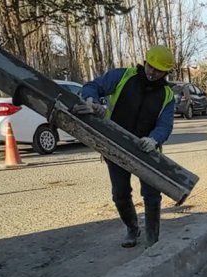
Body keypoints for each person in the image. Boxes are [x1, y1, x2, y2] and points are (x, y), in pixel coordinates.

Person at [73, 45, 176, 248]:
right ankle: (132, 228)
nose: (152, 72)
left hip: (146, 150)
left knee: (152, 195)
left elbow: (165, 125)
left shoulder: (167, 95)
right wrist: (91, 100)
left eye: (158, 70)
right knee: (120, 193)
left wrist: (154, 139)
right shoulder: (122, 76)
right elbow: (92, 86)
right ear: (144, 62)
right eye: (150, 66)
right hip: (115, 145)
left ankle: (152, 240)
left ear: (166, 72)